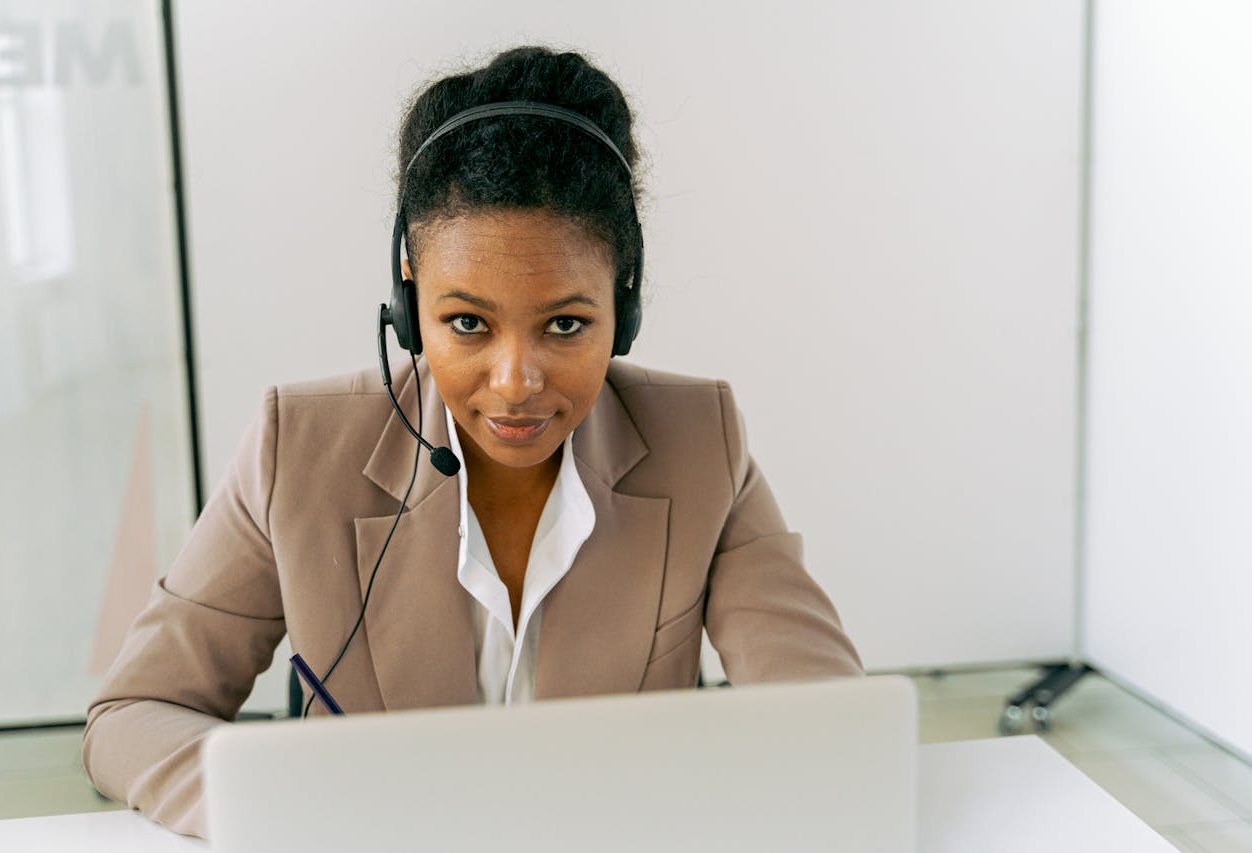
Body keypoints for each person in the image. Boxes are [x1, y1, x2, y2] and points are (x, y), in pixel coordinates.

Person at [82, 45, 863, 839]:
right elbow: (134, 712)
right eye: (467, 323)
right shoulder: (298, 450)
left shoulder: (701, 443)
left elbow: (831, 725)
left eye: (565, 323)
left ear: (623, 305)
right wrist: (308, 819)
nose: (516, 380)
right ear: (407, 296)